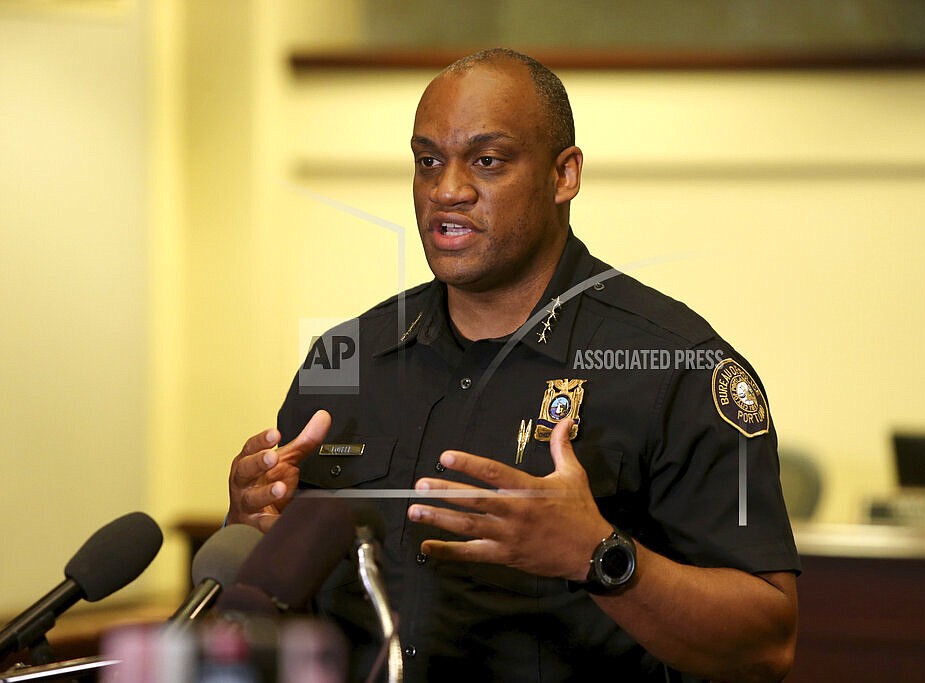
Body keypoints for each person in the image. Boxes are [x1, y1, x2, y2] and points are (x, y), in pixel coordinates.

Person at [226, 48, 799, 683]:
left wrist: (598, 556)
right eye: (428, 162)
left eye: (487, 161)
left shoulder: (682, 367)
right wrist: (251, 528)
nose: (448, 190)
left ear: (564, 176)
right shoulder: (343, 358)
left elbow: (766, 641)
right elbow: (273, 616)